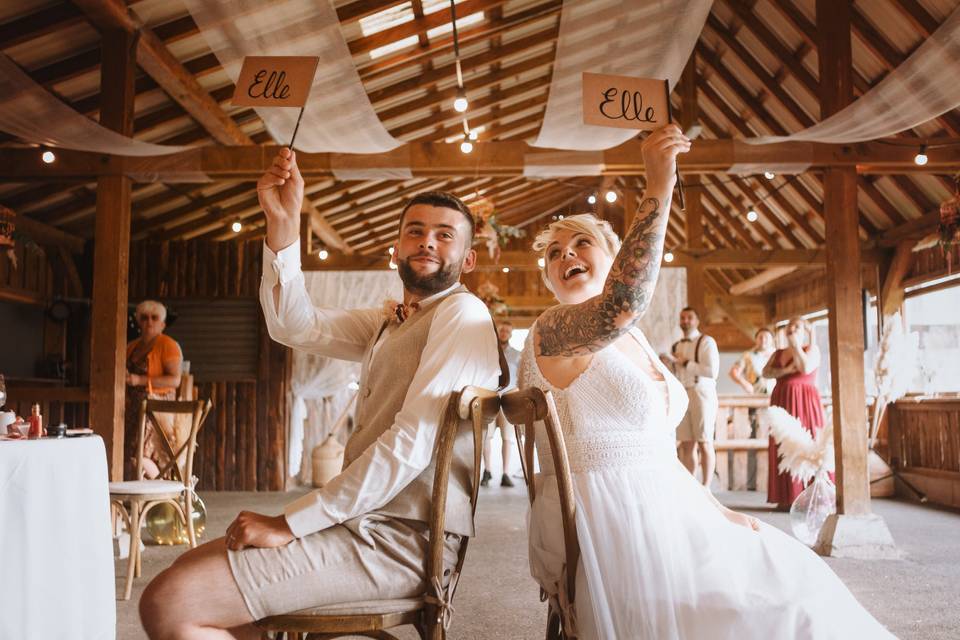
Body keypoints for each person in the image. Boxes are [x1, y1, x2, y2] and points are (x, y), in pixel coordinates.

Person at [518, 124, 894, 639]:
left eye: (580, 244)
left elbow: (657, 450)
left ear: (616, 257)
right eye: (553, 255)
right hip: (618, 521)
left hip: (670, 505)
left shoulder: (638, 341)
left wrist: (716, 507)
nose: (565, 257)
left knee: (795, 575)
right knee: (779, 609)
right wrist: (659, 187)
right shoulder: (551, 332)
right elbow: (621, 305)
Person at [138, 148, 500, 639]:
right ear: (395, 247)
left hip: (399, 541)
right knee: (179, 575)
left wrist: (291, 522)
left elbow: (411, 441)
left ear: (468, 258)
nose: (427, 242)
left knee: (171, 602)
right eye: (414, 230)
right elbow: (293, 324)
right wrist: (283, 224)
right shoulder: (388, 319)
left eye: (444, 235)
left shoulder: (464, 315)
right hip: (356, 523)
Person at [763, 316, 826, 511]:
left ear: (805, 331)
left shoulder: (811, 349)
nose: (792, 329)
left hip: (805, 401)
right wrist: (787, 370)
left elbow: (805, 367)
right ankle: (786, 497)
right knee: (783, 444)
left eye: (797, 326)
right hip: (782, 399)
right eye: (790, 326)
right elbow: (767, 372)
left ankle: (813, 498)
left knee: (808, 443)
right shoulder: (778, 352)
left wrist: (796, 346)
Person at [124, 300, 183, 480]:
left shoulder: (168, 345)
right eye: (144, 318)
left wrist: (139, 380)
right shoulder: (131, 346)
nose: (149, 321)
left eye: (154, 318)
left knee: (140, 454)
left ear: (163, 324)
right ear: (138, 321)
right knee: (127, 452)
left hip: (157, 407)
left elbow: (175, 379)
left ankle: (162, 493)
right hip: (132, 407)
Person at [662, 307, 719, 489]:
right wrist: (667, 365)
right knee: (686, 443)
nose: (685, 321)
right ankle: (691, 487)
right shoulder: (676, 346)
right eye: (682, 318)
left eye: (689, 318)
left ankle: (707, 487)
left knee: (704, 441)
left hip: (701, 394)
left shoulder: (706, 342)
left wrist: (684, 362)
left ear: (697, 321)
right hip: (682, 394)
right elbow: (676, 374)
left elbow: (712, 372)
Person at [729, 328, 776, 489]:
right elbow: (734, 372)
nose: (763, 340)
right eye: (760, 337)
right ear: (756, 339)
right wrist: (746, 384)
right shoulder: (748, 356)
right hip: (757, 400)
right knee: (758, 435)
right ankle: (757, 480)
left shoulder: (777, 354)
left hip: (777, 398)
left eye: (767, 337)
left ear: (772, 339)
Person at [482, 320, 520, 487]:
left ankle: (505, 473)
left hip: (508, 400)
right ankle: (487, 471)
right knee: (486, 437)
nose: (504, 332)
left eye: (507, 330)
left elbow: (522, 379)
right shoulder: (488, 352)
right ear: (497, 332)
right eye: (501, 330)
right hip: (489, 399)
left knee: (507, 438)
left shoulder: (518, 355)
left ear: (511, 334)